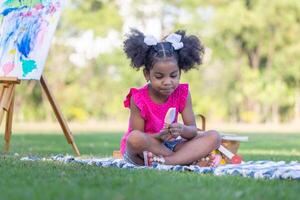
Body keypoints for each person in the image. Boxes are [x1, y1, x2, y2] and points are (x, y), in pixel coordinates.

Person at [120, 29, 221, 166]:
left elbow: (192, 130)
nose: (167, 82)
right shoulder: (138, 98)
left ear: (179, 72)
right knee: (134, 139)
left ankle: (167, 162)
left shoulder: (182, 93)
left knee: (214, 137)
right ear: (146, 74)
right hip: (149, 145)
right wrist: (158, 136)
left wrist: (182, 129)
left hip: (171, 145)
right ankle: (186, 160)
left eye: (173, 76)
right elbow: (137, 135)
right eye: (159, 76)